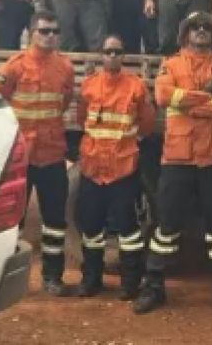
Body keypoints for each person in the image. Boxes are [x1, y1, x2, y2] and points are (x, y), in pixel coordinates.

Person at [133, 13, 212, 317]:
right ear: (184, 35)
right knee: (166, 227)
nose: (201, 31)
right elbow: (163, 95)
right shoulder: (171, 64)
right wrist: (207, 99)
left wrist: (191, 104)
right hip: (177, 159)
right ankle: (153, 287)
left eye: (207, 27)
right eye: (195, 28)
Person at [0, 11, 77, 296]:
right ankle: (7, 282)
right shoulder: (13, 67)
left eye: (54, 31)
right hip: (20, 159)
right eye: (44, 31)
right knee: (13, 223)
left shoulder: (64, 67)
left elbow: (62, 103)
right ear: (30, 32)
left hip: (52, 157)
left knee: (55, 223)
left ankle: (52, 278)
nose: (50, 36)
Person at [76, 34, 156, 300]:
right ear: (101, 55)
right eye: (108, 51)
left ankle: (130, 283)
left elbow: (146, 125)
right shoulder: (88, 86)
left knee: (129, 231)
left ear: (124, 56)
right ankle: (91, 280)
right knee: (91, 230)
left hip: (123, 170)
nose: (112, 56)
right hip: (92, 169)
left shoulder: (136, 87)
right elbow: (81, 120)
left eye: (117, 52)